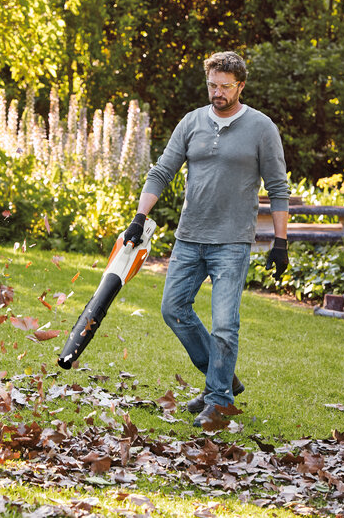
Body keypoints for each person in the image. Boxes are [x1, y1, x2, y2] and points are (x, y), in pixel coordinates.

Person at [122, 51, 290, 428]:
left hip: (232, 241)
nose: (217, 92)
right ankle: (222, 375)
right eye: (212, 85)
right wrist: (139, 217)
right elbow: (162, 171)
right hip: (190, 237)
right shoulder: (192, 122)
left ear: (240, 86)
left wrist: (280, 243)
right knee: (173, 309)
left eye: (225, 86)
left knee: (225, 324)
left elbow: (278, 188)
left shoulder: (261, 128)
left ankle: (218, 401)